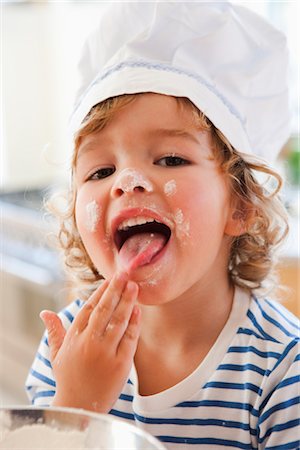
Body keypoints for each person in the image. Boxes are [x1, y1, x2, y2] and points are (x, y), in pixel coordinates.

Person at [26, 2, 299, 449]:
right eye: (100, 171)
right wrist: (77, 407)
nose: (128, 183)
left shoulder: (281, 372)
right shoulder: (67, 347)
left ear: (242, 205)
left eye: (171, 159)